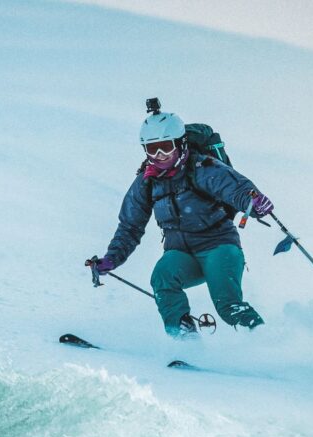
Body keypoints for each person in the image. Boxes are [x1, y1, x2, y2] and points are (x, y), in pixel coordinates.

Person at [88, 102, 274, 337]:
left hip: (219, 247)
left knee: (227, 306)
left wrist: (253, 204)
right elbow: (130, 226)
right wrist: (111, 259)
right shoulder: (146, 182)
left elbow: (233, 187)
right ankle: (185, 340)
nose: (159, 155)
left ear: (180, 143)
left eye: (166, 147)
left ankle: (267, 343)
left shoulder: (202, 168)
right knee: (163, 277)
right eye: (152, 149)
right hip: (181, 254)